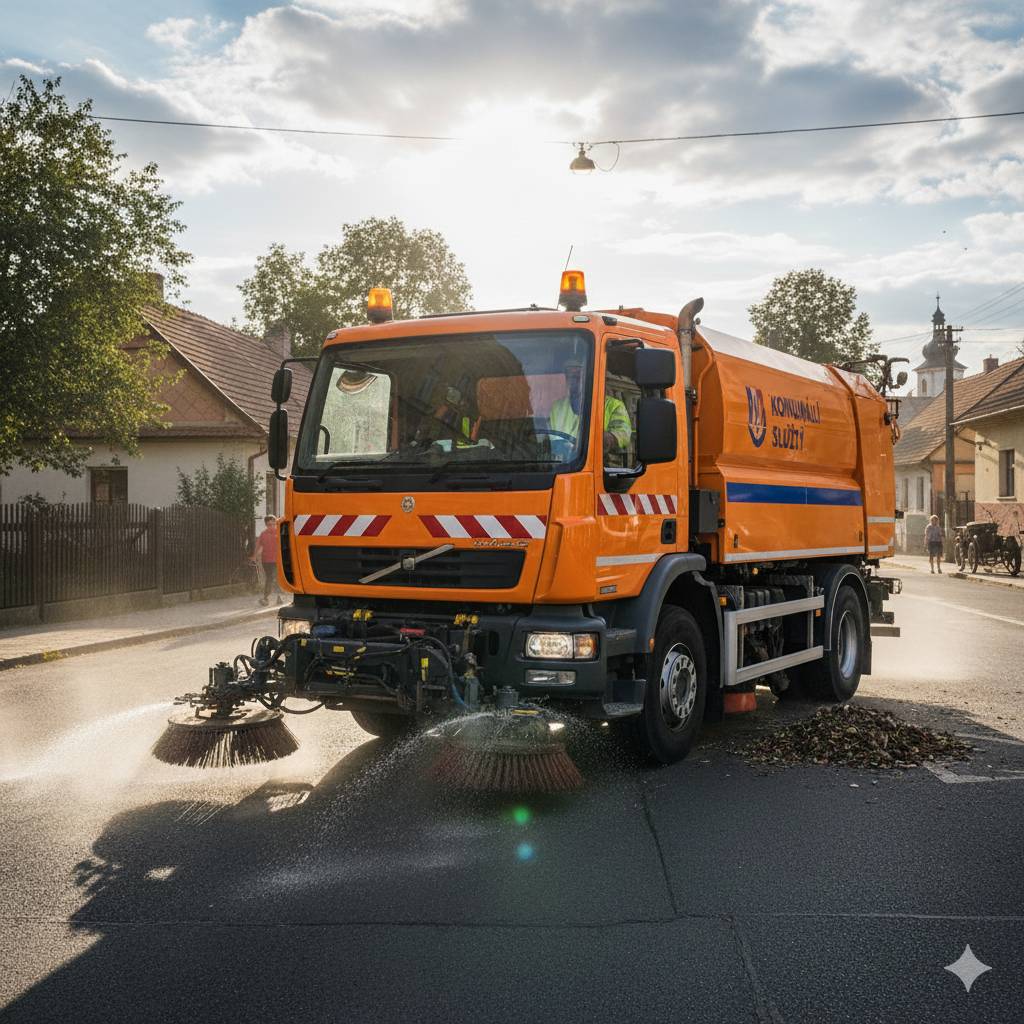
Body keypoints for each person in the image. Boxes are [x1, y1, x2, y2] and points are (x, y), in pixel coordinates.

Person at [549, 359, 632, 455]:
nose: (574, 380)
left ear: (589, 378)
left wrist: (606, 438)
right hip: (563, 464)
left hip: (598, 461)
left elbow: (624, 433)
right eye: (570, 376)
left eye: (578, 375)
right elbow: (550, 438)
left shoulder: (614, 406)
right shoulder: (557, 407)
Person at [253, 515, 280, 605]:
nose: (272, 526)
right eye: (269, 524)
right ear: (266, 525)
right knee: (270, 578)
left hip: (277, 560)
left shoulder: (279, 532)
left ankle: (277, 597)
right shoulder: (263, 534)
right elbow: (258, 546)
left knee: (277, 578)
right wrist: (254, 556)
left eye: (273, 524)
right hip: (266, 560)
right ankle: (267, 598)